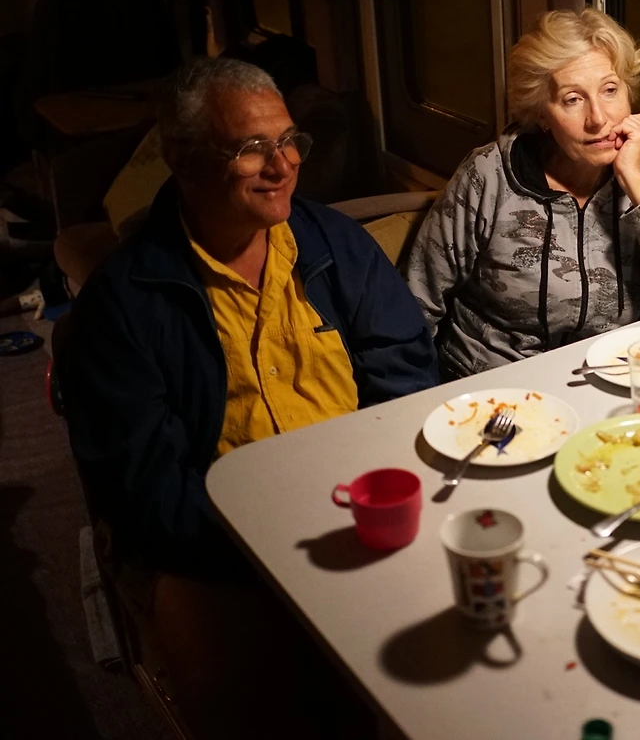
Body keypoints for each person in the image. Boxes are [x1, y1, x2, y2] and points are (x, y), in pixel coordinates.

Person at [60, 57, 439, 738]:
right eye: (251, 147)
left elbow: (403, 365)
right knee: (255, 703)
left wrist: (374, 490)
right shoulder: (124, 304)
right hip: (215, 541)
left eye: (289, 140)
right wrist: (270, 542)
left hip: (355, 500)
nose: (283, 164)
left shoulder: (335, 245)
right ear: (184, 159)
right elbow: (146, 487)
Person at [407, 8, 640, 380]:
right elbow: (416, 304)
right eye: (572, 99)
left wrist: (633, 180)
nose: (599, 118)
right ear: (542, 116)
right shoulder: (488, 176)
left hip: (606, 380)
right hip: (493, 384)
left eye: (610, 90)